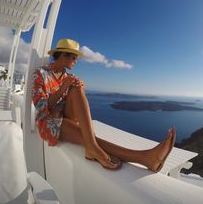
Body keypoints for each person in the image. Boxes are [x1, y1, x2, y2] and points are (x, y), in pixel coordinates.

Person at [32, 38, 176, 171]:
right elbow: (40, 106)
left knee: (77, 87)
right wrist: (63, 88)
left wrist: (75, 87)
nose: (76, 61)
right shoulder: (41, 74)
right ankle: (144, 158)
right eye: (74, 57)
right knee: (90, 140)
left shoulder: (69, 77)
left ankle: (93, 148)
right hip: (49, 121)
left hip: (67, 118)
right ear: (63, 55)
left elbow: (75, 102)